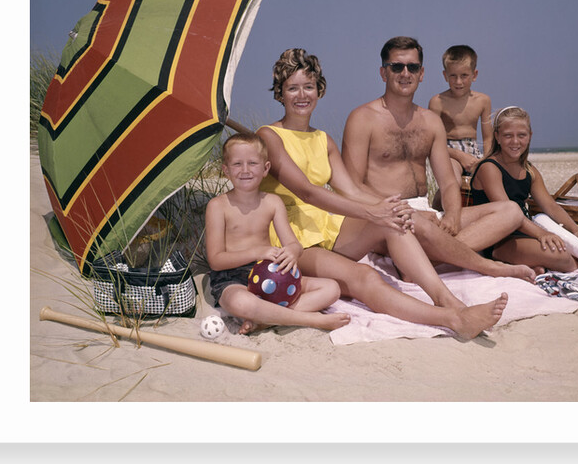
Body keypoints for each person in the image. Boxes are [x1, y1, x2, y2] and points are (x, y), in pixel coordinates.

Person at [256, 48, 510, 340]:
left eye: (309, 87)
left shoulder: (322, 139)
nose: (302, 95)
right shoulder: (269, 137)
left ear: (319, 90)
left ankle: (447, 299)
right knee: (365, 276)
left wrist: (391, 208)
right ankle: (451, 319)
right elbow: (308, 192)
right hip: (292, 240)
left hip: (328, 227)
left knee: (393, 220)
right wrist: (369, 211)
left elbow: (349, 189)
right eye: (293, 88)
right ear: (280, 93)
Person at [340, 36, 535, 282]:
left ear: (422, 73)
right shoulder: (362, 118)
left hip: (428, 213)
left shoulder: (430, 122)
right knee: (416, 223)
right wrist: (405, 210)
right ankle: (485, 266)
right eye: (396, 66)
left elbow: (449, 182)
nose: (405, 73)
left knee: (511, 211)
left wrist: (453, 214)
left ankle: (423, 262)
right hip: (386, 216)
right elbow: (352, 187)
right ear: (383, 72)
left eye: (412, 67)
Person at [204, 133, 351, 334]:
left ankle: (264, 320)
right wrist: (259, 252)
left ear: (265, 169)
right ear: (226, 170)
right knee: (241, 302)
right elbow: (216, 260)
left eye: (253, 163)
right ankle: (310, 320)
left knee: (331, 289)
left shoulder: (272, 202)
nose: (245, 170)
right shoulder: (218, 206)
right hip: (233, 278)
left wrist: (291, 252)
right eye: (237, 164)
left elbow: (293, 245)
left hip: (271, 273)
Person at [468, 105, 578, 273]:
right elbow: (507, 215)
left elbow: (551, 206)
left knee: (570, 249)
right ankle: (507, 259)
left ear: (530, 136)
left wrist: (577, 230)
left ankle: (531, 264)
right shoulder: (490, 168)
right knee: (561, 256)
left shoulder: (529, 171)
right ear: (497, 137)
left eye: (521, 135)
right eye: (508, 135)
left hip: (525, 232)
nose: (515, 142)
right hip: (497, 240)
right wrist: (541, 234)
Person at [428, 44, 493, 187]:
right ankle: (438, 206)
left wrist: (487, 161)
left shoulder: (483, 101)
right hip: (448, 152)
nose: (458, 82)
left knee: (490, 182)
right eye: (453, 76)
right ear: (445, 75)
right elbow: (431, 141)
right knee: (454, 182)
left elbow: (488, 138)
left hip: (474, 151)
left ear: (474, 75)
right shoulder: (437, 102)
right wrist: (459, 155)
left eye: (464, 75)